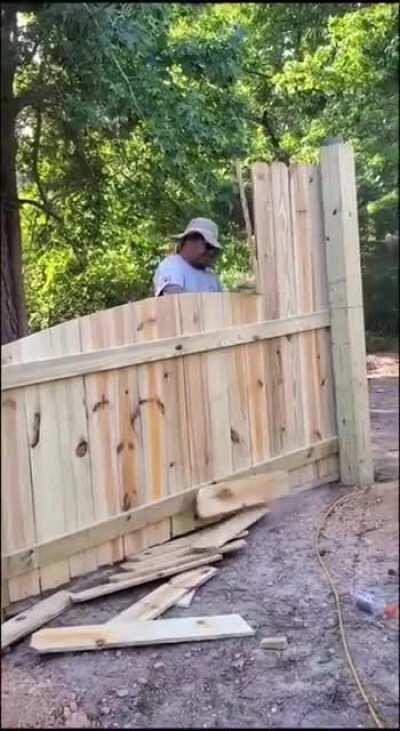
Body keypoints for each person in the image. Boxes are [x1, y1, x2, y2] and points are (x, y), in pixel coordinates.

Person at [153, 217, 223, 296]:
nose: (211, 252)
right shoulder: (172, 264)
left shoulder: (211, 276)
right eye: (208, 246)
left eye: (213, 248)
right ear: (189, 240)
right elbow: (174, 298)